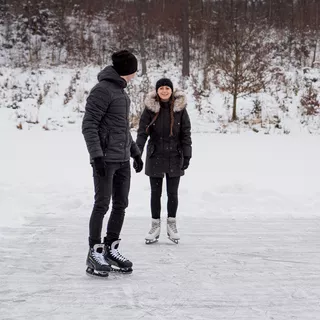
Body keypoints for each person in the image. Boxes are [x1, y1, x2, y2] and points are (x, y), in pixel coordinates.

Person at [82, 50, 144, 277]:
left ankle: (110, 248)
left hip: (122, 159)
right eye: (135, 69)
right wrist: (97, 156)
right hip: (105, 160)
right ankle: (94, 251)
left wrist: (135, 153)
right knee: (102, 205)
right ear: (128, 70)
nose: (136, 73)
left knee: (121, 205)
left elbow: (122, 129)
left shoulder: (121, 92)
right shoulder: (102, 91)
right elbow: (89, 125)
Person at [136, 78, 192, 244]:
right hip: (155, 155)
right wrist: (137, 153)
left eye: (167, 88)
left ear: (172, 90)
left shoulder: (180, 109)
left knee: (172, 193)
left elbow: (186, 133)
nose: (165, 91)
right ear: (157, 91)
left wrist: (187, 155)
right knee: (155, 193)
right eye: (161, 88)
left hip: (175, 155)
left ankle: (172, 225)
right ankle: (155, 226)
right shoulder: (150, 109)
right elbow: (142, 132)